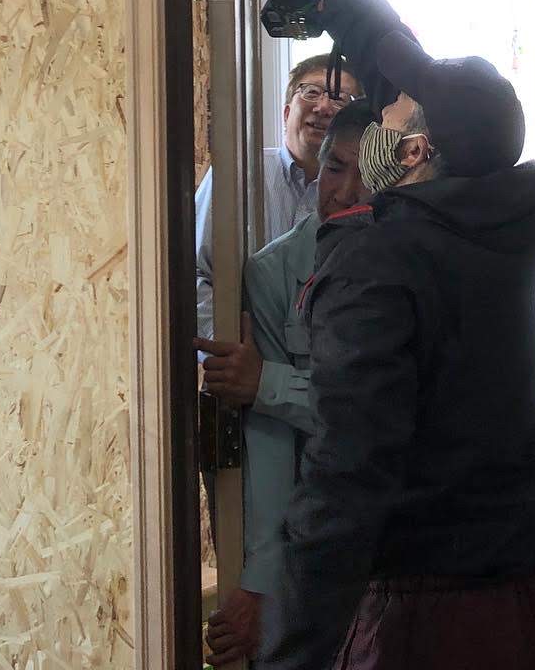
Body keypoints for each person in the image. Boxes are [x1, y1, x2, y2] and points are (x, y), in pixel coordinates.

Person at [244, 0, 535, 670]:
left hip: (429, 619)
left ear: (414, 151)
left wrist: (292, 652)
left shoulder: (374, 263)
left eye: (384, 117)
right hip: (534, 589)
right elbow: (410, 72)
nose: (368, 118)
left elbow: (347, 474)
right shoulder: (513, 217)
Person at [199, 99, 378, 667]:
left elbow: (383, 414)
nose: (345, 192)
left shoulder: (409, 267)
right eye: (334, 168)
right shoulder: (274, 271)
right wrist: (260, 583)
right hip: (313, 530)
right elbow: (270, 443)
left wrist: (269, 384)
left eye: (366, 176)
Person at [195, 52, 361, 346]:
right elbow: (192, 273)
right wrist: (227, 345)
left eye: (339, 99)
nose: (323, 107)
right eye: (311, 92)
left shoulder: (364, 192)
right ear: (286, 113)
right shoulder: (235, 175)